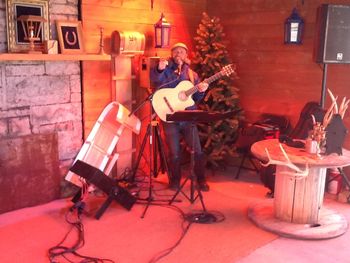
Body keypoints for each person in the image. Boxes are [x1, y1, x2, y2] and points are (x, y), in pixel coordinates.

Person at [150, 42, 210, 191]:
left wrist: (201, 90)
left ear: (186, 56)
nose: (178, 54)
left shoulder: (192, 75)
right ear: (172, 54)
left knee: (197, 150)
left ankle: (201, 180)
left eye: (182, 52)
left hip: (188, 117)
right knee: (174, 152)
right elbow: (155, 79)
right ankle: (175, 181)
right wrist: (159, 69)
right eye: (176, 51)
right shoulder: (165, 70)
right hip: (170, 117)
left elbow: (196, 98)